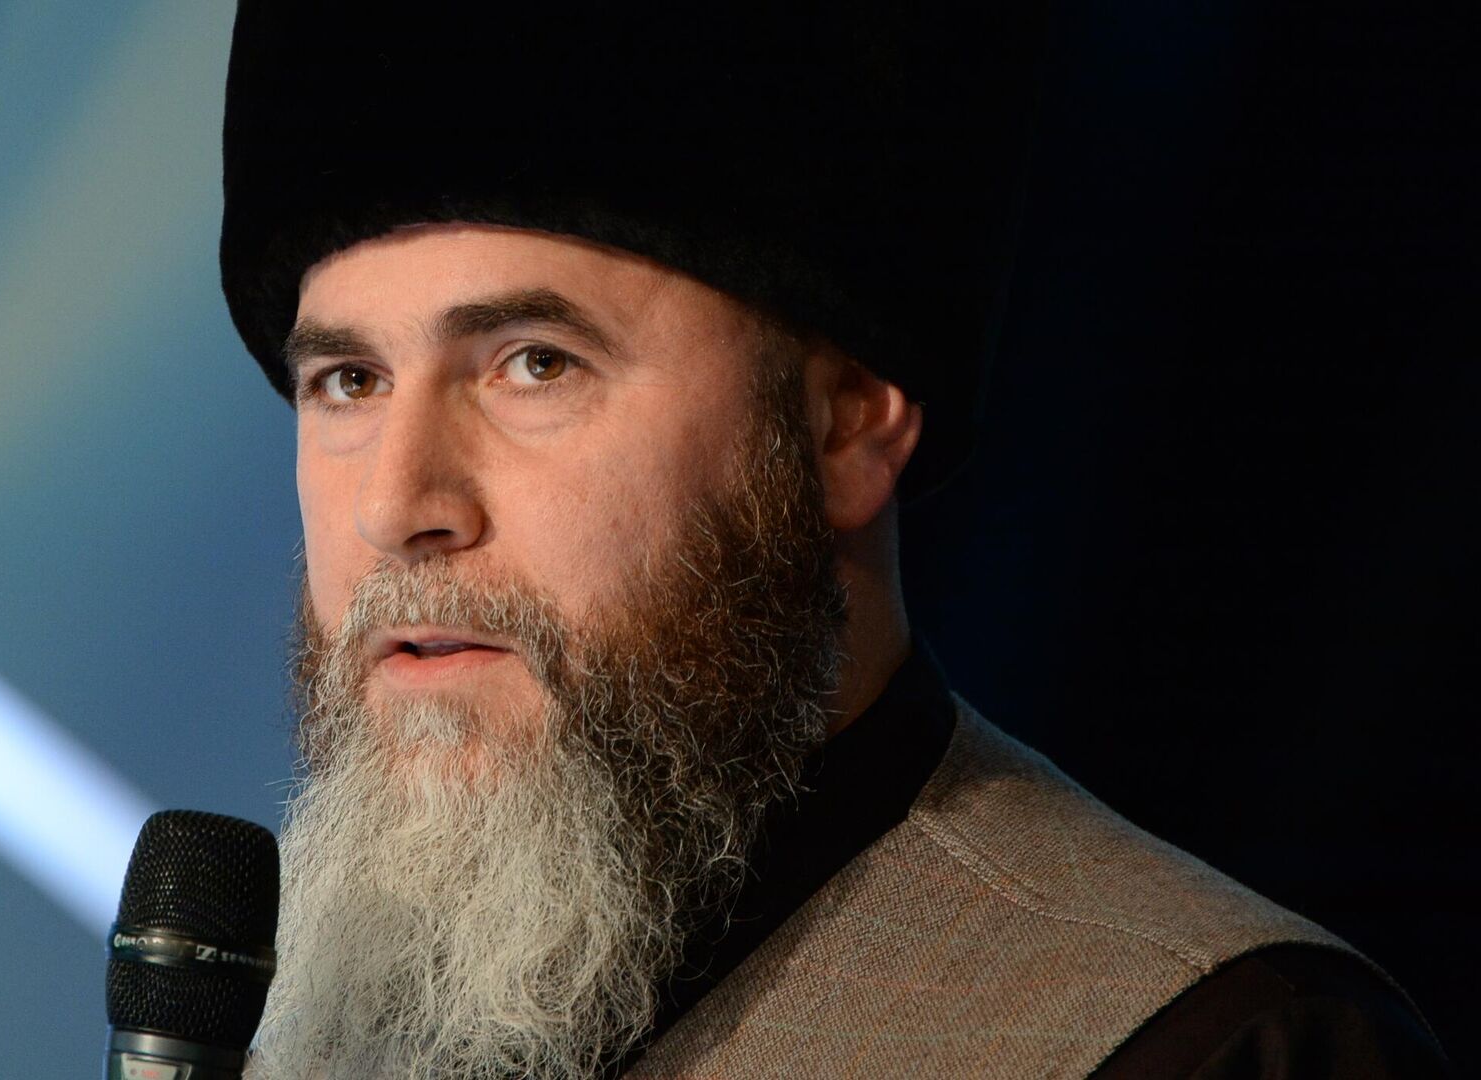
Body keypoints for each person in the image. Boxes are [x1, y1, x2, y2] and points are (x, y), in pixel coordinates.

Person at [215, 3, 1452, 1076]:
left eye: (535, 364)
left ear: (847, 424)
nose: (397, 506)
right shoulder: (285, 1039)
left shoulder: (1208, 1044)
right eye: (348, 382)